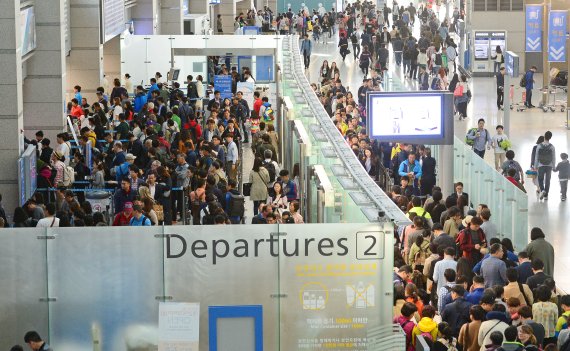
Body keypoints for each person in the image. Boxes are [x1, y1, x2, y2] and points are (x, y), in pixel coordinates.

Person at [534, 131, 556, 200]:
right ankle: (546, 195)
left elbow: (536, 156)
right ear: (550, 138)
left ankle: (542, 190)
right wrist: (554, 166)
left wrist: (535, 166)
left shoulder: (539, 146)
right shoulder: (552, 147)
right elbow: (553, 157)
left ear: (544, 136)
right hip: (549, 165)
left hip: (541, 165)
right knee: (548, 180)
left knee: (540, 179)